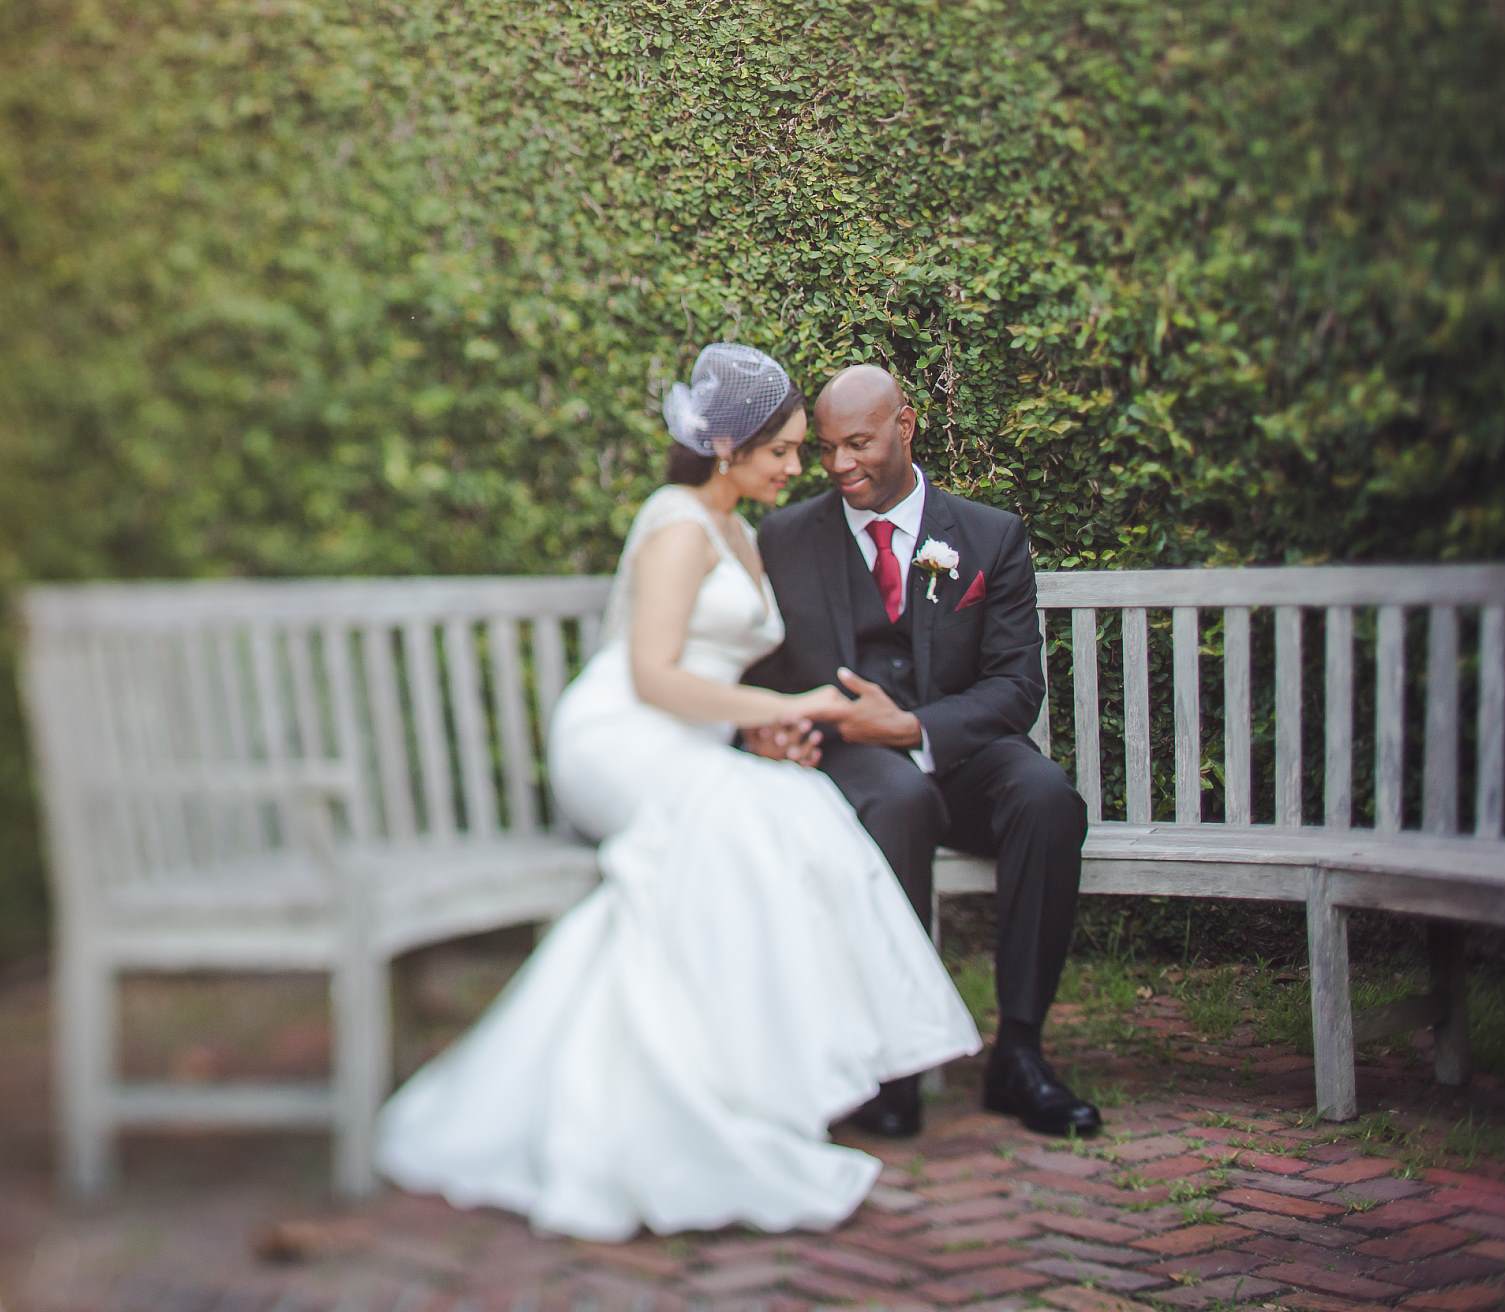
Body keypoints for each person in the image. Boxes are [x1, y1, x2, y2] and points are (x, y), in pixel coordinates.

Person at [374, 344, 981, 1241]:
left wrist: (761, 729)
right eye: (779, 450)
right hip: (620, 739)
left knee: (794, 812)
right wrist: (784, 705)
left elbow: (710, 678)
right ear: (727, 450)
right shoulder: (674, 522)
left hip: (692, 743)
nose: (795, 465)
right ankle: (681, 1097)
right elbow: (655, 676)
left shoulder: (739, 528)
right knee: (749, 820)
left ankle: (756, 1079)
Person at [742, 363, 1099, 1140]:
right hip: (847, 761)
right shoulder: (785, 538)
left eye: (859, 444)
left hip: (957, 751)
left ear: (905, 428)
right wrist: (775, 731)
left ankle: (1021, 1053)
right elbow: (760, 672)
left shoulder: (988, 536)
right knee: (897, 803)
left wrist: (913, 729)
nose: (840, 466)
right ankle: (893, 1065)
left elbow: (1015, 688)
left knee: (1046, 799)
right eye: (829, 448)